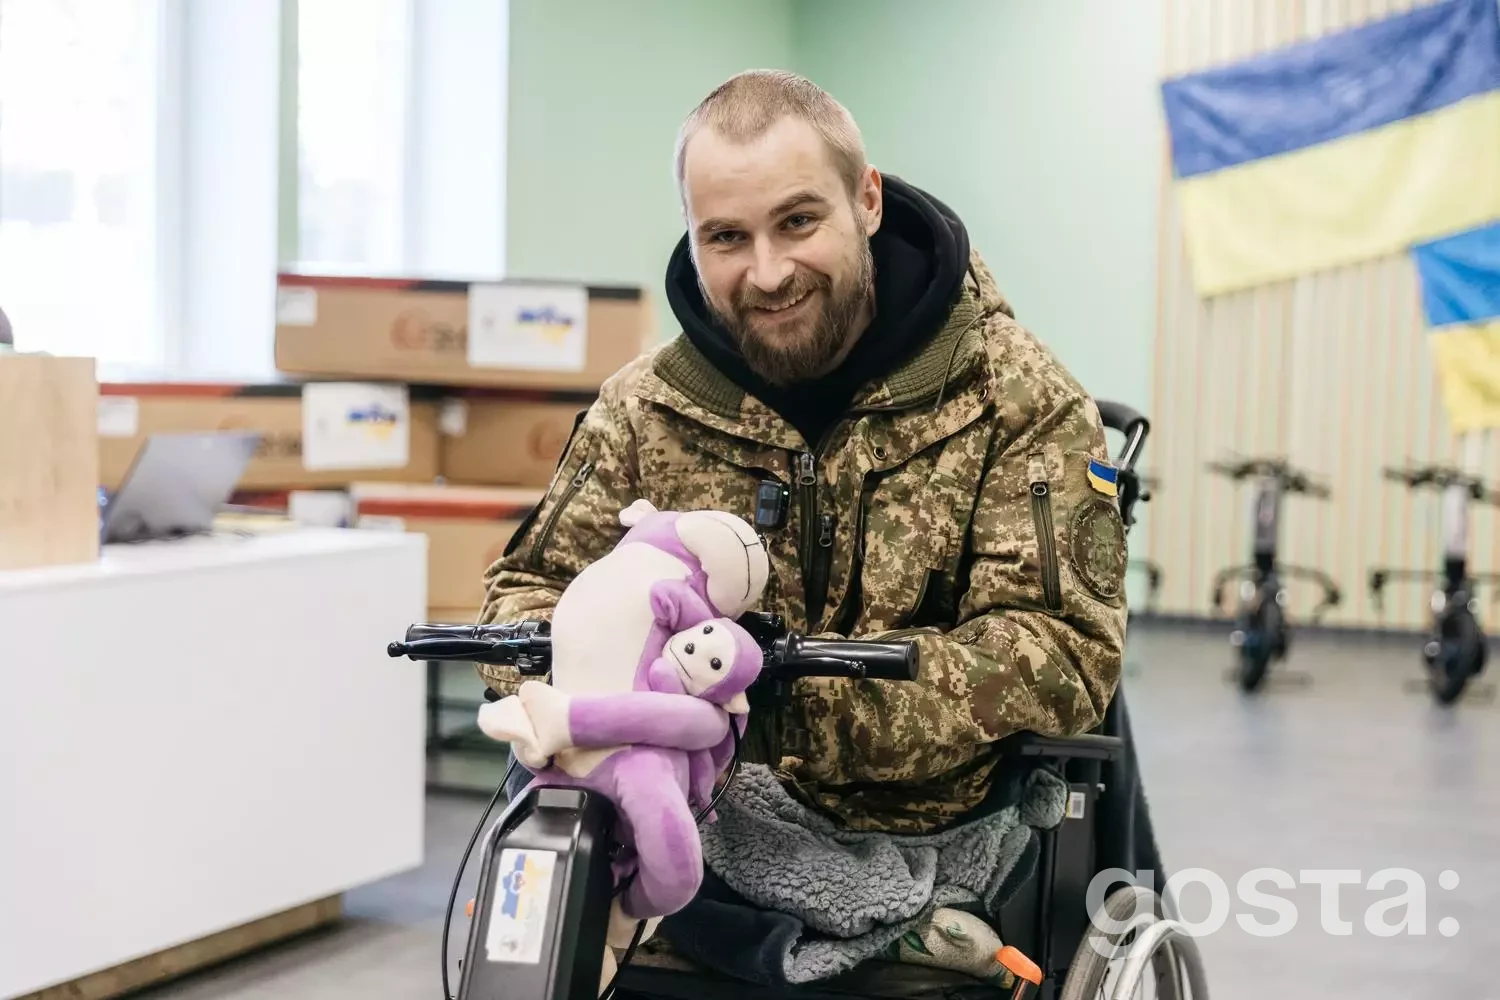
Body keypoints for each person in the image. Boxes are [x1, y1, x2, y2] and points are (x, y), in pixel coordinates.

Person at [477, 69, 1128, 835]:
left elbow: (1060, 654)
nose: (769, 273)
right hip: (668, 815)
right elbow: (524, 597)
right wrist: (632, 680)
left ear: (868, 201)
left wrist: (779, 709)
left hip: (928, 830)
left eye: (797, 222)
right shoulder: (641, 408)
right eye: (726, 237)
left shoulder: (1016, 395)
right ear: (691, 237)